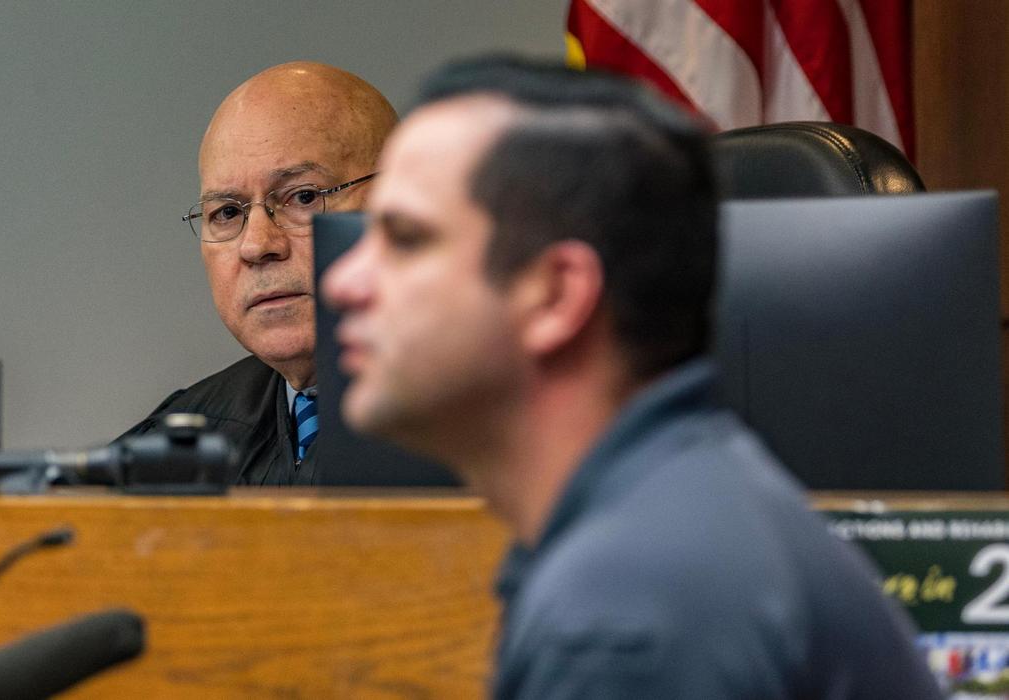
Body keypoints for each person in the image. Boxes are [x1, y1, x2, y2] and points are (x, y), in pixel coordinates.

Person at [323, 56, 941, 699]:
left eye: (405, 239)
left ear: (556, 296)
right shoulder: (670, 515)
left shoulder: (632, 603)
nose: (342, 281)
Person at [118, 62, 397, 485]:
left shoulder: (499, 424)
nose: (257, 246)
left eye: (303, 197)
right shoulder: (183, 442)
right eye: (227, 212)